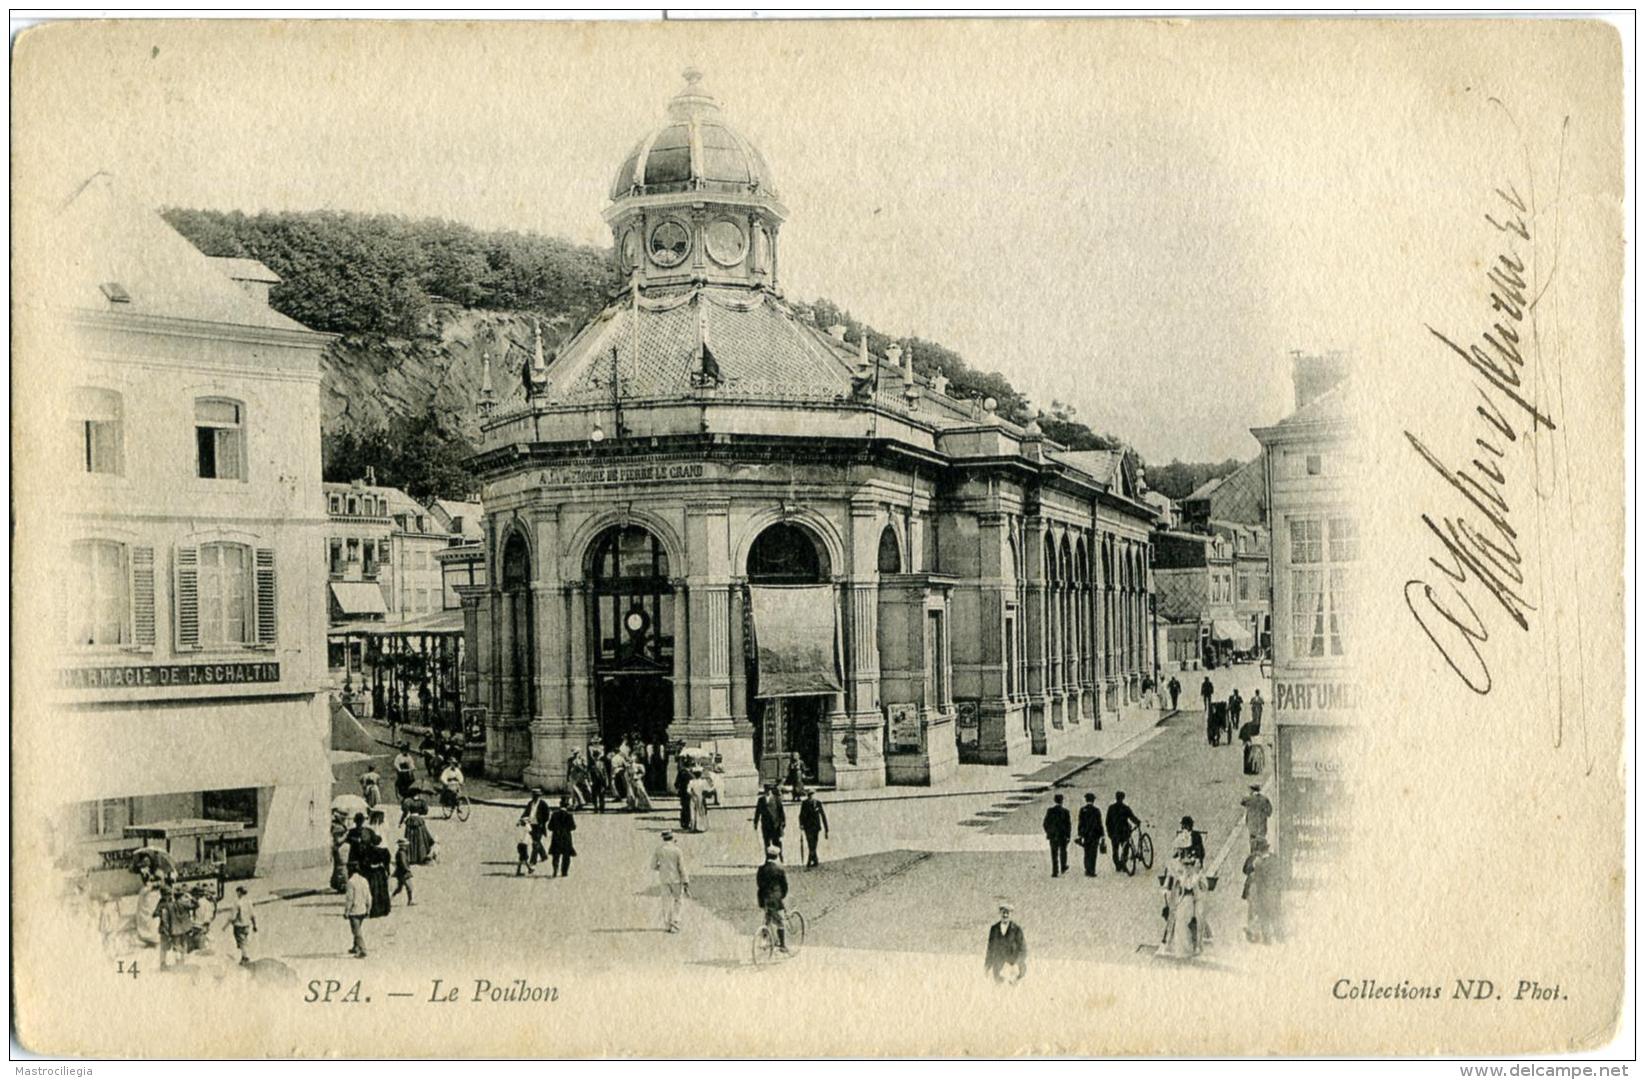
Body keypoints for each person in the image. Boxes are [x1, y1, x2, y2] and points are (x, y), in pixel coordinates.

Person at [1242, 838, 1279, 943]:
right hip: (1254, 888)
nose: (1258, 851)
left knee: (1262, 912)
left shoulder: (1269, 859)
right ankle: (1255, 934)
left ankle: (1255, 931)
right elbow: (1245, 870)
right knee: (1254, 910)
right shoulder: (1252, 858)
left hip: (1263, 889)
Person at [652, 830, 690, 933]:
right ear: (672, 838)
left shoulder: (659, 850)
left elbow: (653, 865)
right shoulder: (677, 850)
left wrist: (662, 868)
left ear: (663, 838)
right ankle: (675, 922)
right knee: (678, 900)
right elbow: (681, 867)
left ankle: (667, 924)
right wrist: (686, 880)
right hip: (676, 879)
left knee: (666, 901)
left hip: (664, 879)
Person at [755, 845, 790, 952]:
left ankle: (765, 939)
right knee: (780, 921)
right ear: (777, 856)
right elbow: (784, 886)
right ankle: (783, 945)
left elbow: (759, 884)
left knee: (768, 918)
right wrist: (782, 896)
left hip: (764, 897)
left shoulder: (761, 869)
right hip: (775, 898)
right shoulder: (779, 869)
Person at [984, 903, 1027, 984]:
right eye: (1003, 912)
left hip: (1013, 967)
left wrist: (1016, 964)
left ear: (1011, 914)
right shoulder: (994, 929)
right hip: (998, 967)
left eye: (1008, 913)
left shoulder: (1017, 929)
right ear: (1000, 913)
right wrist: (987, 966)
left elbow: (1023, 950)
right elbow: (990, 949)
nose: (1005, 915)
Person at [1105, 791, 1140, 872]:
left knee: (1115, 850)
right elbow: (1132, 817)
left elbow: (1107, 822)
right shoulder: (1125, 808)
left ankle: (1118, 865)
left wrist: (1109, 832)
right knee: (1125, 849)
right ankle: (1123, 864)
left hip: (1114, 833)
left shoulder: (1111, 808)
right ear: (1123, 798)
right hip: (1124, 832)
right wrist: (1137, 822)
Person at [344, 866, 372, 958]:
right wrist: (368, 908)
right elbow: (368, 896)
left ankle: (363, 950)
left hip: (354, 910)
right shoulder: (364, 880)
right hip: (363, 909)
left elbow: (350, 899)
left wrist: (346, 911)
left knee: (356, 931)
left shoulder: (350, 882)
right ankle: (355, 946)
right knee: (358, 927)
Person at [1042, 793, 1072, 878]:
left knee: (1054, 853)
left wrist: (1049, 832)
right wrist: (1068, 835)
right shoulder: (1066, 812)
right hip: (1062, 835)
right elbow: (1068, 825)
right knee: (1063, 851)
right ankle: (1063, 866)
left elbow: (1045, 823)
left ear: (1054, 800)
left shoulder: (1050, 811)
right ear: (1062, 801)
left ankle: (1055, 871)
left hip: (1053, 836)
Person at [1076, 792, 1106, 877]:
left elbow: (1080, 823)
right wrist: (1102, 835)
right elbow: (1100, 823)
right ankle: (1092, 870)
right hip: (1095, 835)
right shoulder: (1096, 810)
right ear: (1093, 800)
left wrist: (1080, 834)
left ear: (1086, 800)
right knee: (1093, 853)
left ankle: (1087, 869)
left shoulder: (1082, 810)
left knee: (1086, 852)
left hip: (1086, 834)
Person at [798, 789, 829, 868]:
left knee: (814, 844)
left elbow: (823, 815)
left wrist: (826, 829)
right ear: (807, 795)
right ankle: (810, 861)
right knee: (810, 843)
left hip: (816, 827)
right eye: (809, 795)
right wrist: (801, 824)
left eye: (812, 794)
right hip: (807, 827)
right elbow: (801, 815)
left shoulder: (818, 803)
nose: (811, 796)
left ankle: (814, 860)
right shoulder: (804, 803)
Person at [363, 835, 393, 919]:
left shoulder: (368, 851)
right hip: (381, 872)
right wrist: (388, 872)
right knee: (382, 890)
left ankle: (375, 910)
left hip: (372, 873)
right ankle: (385, 910)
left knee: (374, 891)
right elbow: (387, 863)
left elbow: (364, 863)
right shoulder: (384, 851)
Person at [547, 797, 577, 878]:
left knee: (556, 856)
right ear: (567, 806)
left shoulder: (554, 814)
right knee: (566, 856)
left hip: (556, 838)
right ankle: (564, 872)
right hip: (566, 838)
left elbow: (549, 827)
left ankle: (555, 869)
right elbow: (573, 827)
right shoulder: (569, 815)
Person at [753, 785, 786, 858]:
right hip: (765, 825)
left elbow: (781, 812)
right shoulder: (761, 800)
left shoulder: (776, 799)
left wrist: (783, 823)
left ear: (771, 791)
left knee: (776, 841)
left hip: (775, 824)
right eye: (767, 790)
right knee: (766, 842)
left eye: (769, 790)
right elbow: (757, 812)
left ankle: (780, 856)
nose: (768, 792)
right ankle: (768, 857)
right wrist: (755, 822)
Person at [403, 792, 436, 865]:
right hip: (418, 819)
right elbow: (425, 811)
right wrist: (419, 813)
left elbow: (405, 811)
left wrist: (401, 822)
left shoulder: (408, 801)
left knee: (410, 838)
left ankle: (411, 857)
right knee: (420, 838)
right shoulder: (421, 802)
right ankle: (420, 856)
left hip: (411, 819)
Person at [524, 787, 551, 868]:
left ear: (539, 796)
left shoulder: (543, 804)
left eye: (536, 796)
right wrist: (522, 819)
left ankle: (533, 860)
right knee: (536, 841)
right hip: (531, 825)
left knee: (535, 843)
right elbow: (526, 812)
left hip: (539, 826)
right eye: (534, 795)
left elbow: (547, 814)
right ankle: (544, 855)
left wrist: (543, 822)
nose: (535, 797)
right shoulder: (530, 803)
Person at [687, 768, 711, 833]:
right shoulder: (703, 782)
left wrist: (693, 795)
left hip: (693, 798)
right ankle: (701, 827)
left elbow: (688, 791)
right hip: (700, 797)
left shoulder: (691, 782)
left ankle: (693, 827)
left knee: (693, 812)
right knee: (700, 811)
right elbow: (708, 789)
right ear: (700, 774)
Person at [391, 839, 414, 905]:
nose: (406, 846)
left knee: (399, 888)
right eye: (405, 845)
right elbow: (403, 863)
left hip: (400, 873)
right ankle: (410, 901)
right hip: (403, 873)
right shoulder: (402, 853)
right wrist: (407, 869)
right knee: (409, 887)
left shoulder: (401, 852)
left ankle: (390, 899)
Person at [675, 758, 693, 830]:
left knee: (684, 807)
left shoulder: (681, 772)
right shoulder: (690, 773)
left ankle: (683, 822)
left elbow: (676, 784)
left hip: (682, 793)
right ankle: (687, 822)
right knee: (688, 808)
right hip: (689, 793)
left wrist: (679, 787)